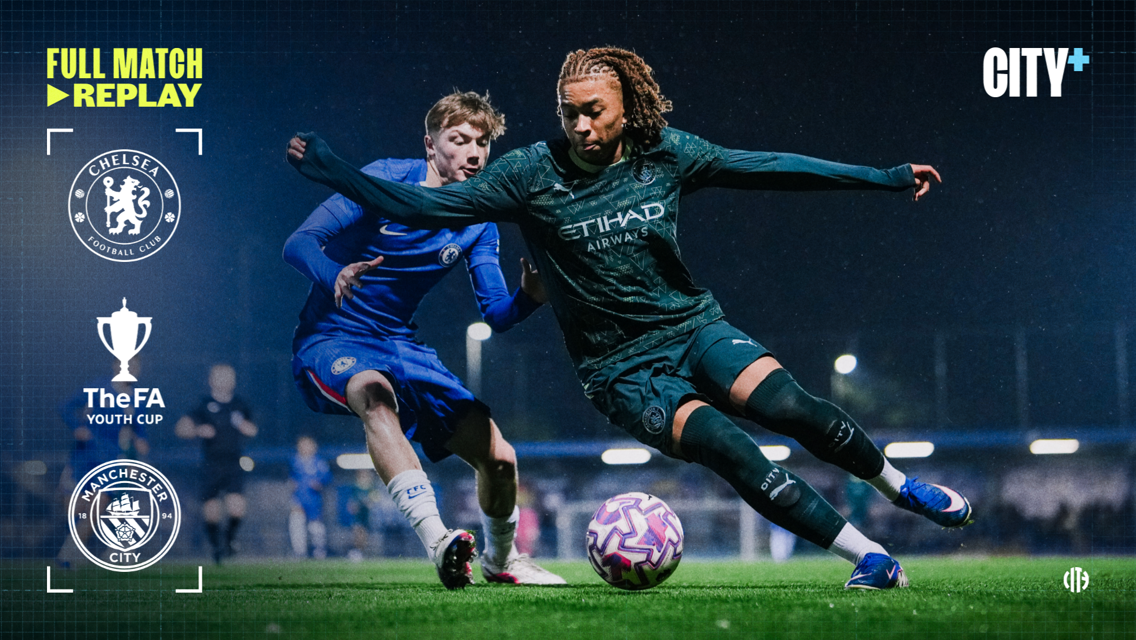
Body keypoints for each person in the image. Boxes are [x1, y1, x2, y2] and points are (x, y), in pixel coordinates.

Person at [287, 47, 975, 591]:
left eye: (593, 111)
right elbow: (419, 209)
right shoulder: (529, 172)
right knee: (732, 450)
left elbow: (767, 167)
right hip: (620, 370)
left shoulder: (665, 153)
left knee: (794, 408)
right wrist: (338, 171)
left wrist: (882, 177)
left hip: (692, 326)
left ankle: (899, 486)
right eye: (568, 114)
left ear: (629, 107)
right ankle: (870, 558)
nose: (581, 126)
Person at [283, 90, 564, 588]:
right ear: (430, 145)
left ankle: (503, 561)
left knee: (500, 459)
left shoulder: (479, 221)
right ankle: (438, 540)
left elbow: (497, 314)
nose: (474, 153)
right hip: (334, 334)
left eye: (482, 143)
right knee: (375, 396)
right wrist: (334, 274)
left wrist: (530, 297)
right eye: (459, 140)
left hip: (401, 345)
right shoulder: (385, 179)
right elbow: (299, 242)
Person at [56, 357, 151, 567]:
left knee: (98, 504)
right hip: (84, 456)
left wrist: (140, 445)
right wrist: (76, 427)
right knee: (73, 508)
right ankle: (75, 547)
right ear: (115, 366)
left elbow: (139, 429)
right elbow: (65, 407)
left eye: (136, 366)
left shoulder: (137, 399)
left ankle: (68, 555)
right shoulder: (97, 387)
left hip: (110, 458)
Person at [175, 363, 258, 564]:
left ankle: (229, 541)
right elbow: (181, 428)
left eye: (229, 376)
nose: (226, 380)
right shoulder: (203, 405)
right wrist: (196, 431)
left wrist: (246, 428)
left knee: (237, 508)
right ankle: (216, 548)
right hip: (211, 463)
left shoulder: (239, 404)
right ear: (211, 380)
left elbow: (253, 429)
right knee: (211, 512)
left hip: (233, 463)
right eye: (221, 376)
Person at [288, 435, 333, 559]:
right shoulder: (295, 461)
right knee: (297, 524)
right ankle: (299, 552)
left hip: (313, 499)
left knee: (316, 527)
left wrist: (320, 483)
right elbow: (292, 477)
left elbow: (327, 477)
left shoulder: (319, 462)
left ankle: (319, 550)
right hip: (298, 498)